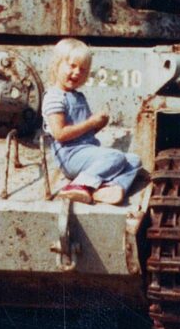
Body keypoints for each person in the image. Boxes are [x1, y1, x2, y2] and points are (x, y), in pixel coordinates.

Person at [42, 38, 141, 205]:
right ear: (57, 64)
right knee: (115, 157)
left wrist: (98, 124)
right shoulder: (54, 97)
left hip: (85, 151)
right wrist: (90, 123)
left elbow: (83, 133)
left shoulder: (78, 96)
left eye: (83, 69)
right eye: (72, 66)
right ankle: (78, 185)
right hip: (70, 155)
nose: (77, 73)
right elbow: (60, 134)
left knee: (133, 160)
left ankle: (109, 189)